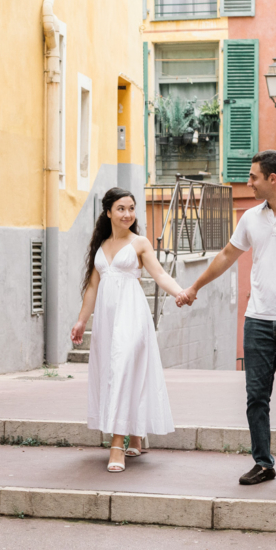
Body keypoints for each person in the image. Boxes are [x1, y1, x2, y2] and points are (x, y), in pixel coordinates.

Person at [177, 150, 276, 485]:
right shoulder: (250, 218)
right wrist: (195, 287)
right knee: (256, 396)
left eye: (253, 177)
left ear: (272, 179)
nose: (248, 182)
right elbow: (227, 255)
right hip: (258, 320)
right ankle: (264, 462)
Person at [70, 187, 183, 472]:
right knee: (114, 372)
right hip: (107, 321)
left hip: (132, 315)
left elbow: (159, 274)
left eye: (131, 208)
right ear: (108, 212)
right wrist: (82, 321)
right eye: (121, 208)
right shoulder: (100, 246)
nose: (128, 214)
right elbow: (92, 287)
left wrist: (181, 292)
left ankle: (117, 444)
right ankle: (136, 434)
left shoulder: (140, 243)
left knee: (123, 368)